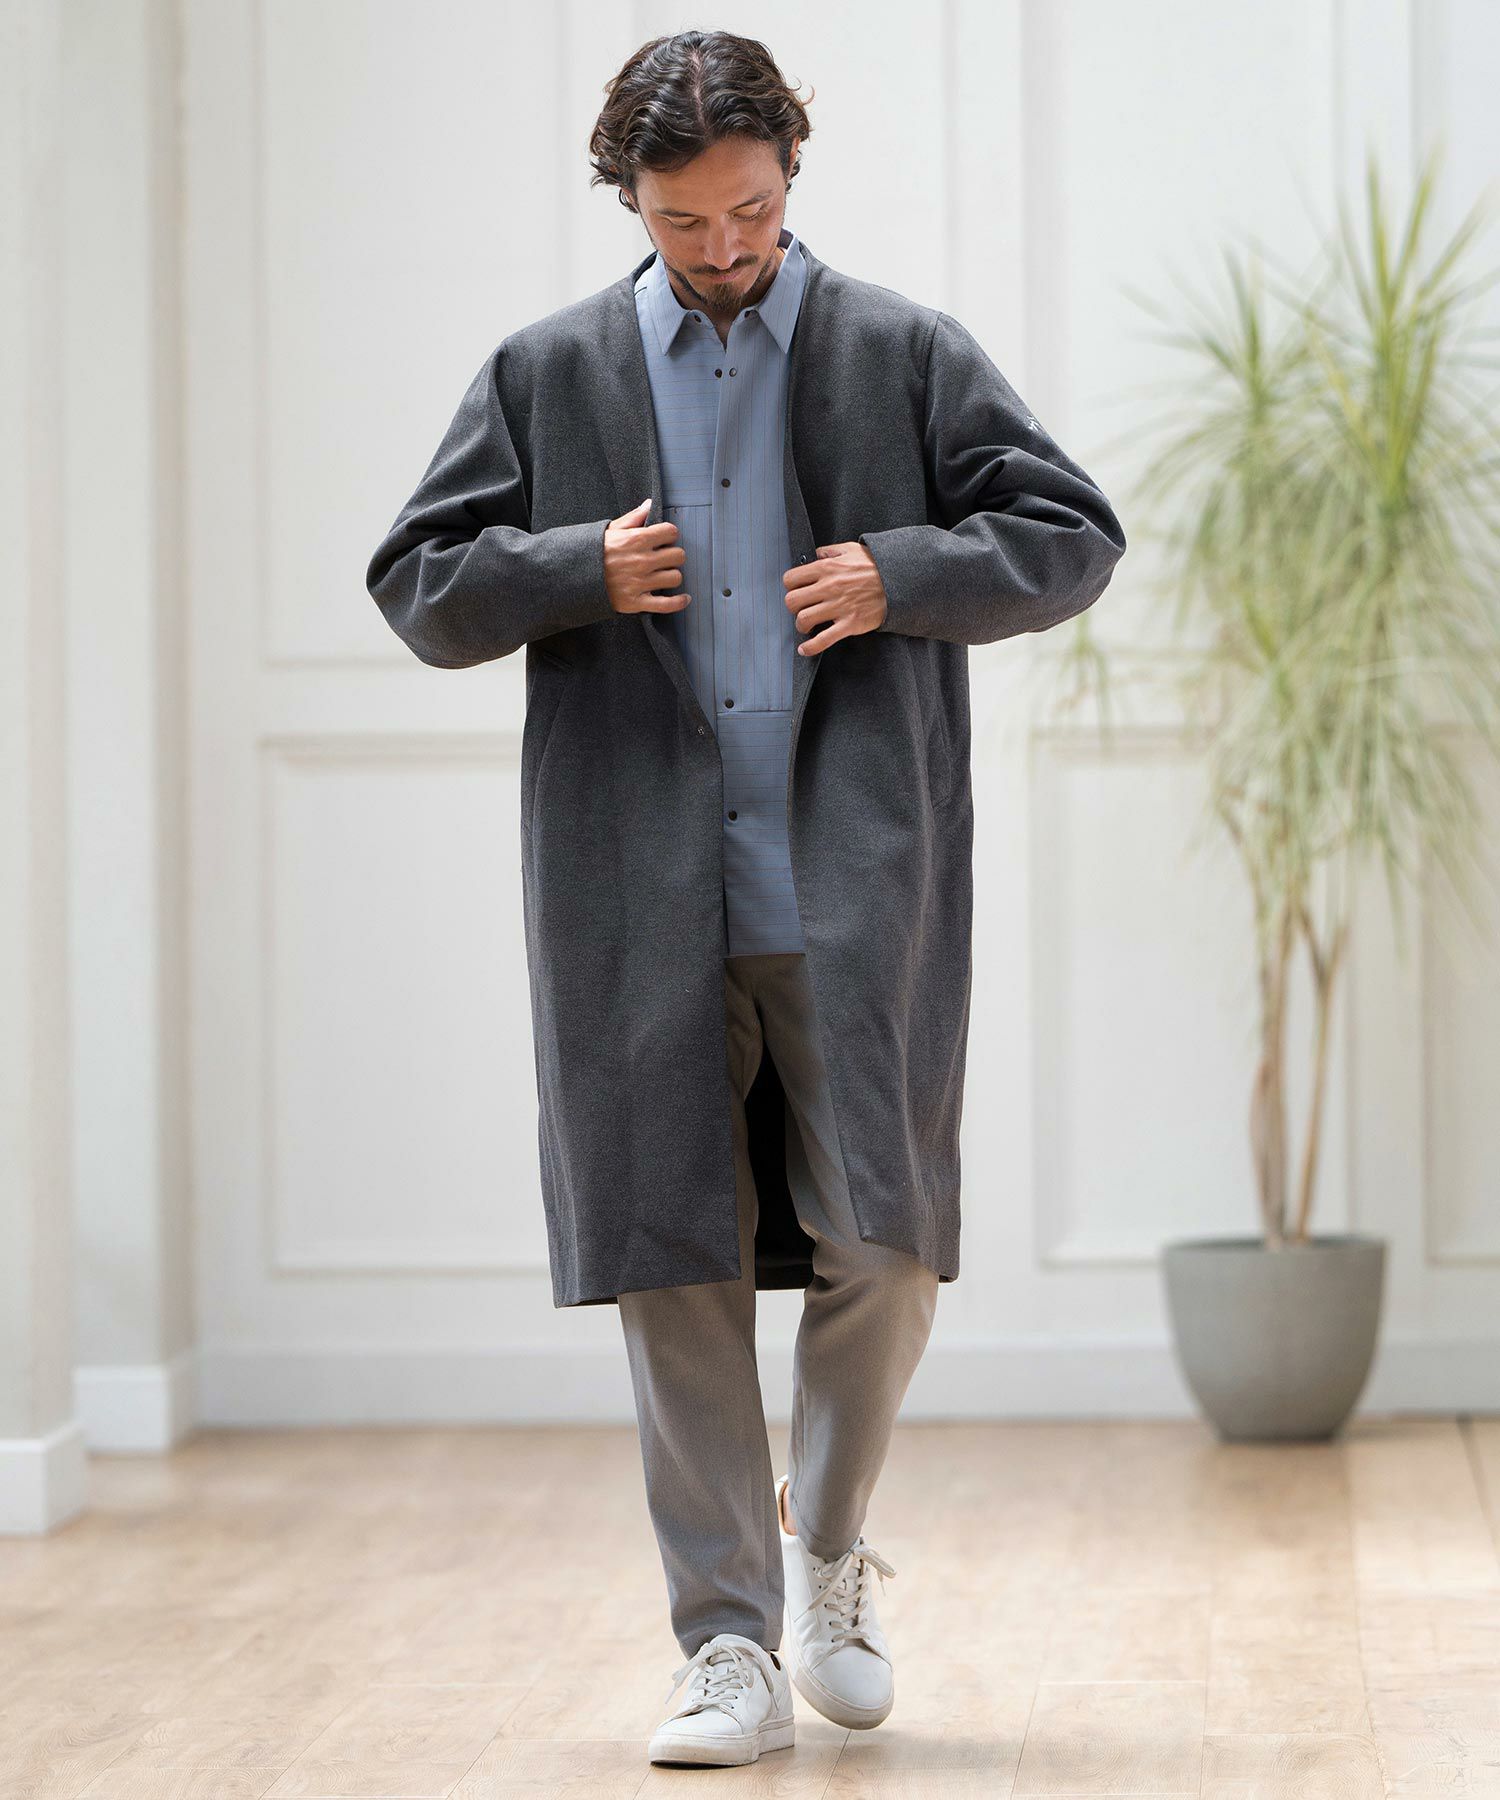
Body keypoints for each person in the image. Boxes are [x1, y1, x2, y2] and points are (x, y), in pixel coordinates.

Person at [366, 28, 1126, 1772]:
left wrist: (900, 573)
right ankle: (724, 1646)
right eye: (686, 222)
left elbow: (1072, 533)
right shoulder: (547, 371)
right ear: (628, 201)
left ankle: (826, 1540)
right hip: (637, 895)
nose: (725, 250)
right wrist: (575, 568)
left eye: (753, 213)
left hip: (854, 882)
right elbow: (418, 580)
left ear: (791, 175)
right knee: (674, 1261)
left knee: (891, 1243)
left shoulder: (901, 350)